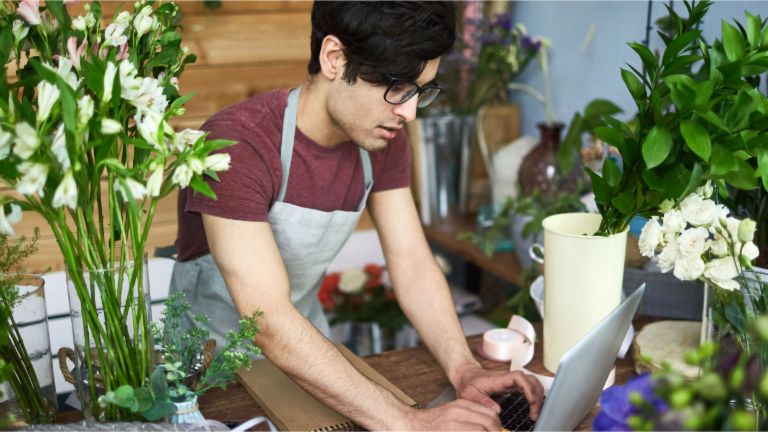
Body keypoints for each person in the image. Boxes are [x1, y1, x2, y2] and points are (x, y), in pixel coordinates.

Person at [170, 2, 544, 430]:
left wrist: (465, 369)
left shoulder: (383, 138)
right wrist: (408, 422)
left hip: (308, 361)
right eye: (398, 87)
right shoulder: (238, 145)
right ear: (335, 58)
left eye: (422, 89)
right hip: (210, 380)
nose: (410, 112)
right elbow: (267, 321)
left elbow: (412, 263)